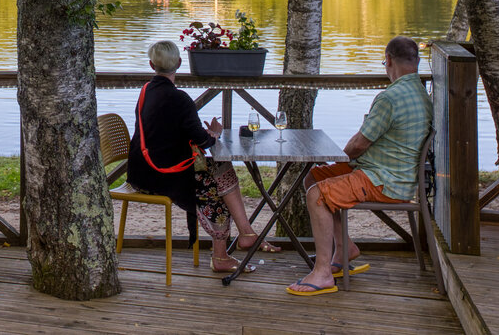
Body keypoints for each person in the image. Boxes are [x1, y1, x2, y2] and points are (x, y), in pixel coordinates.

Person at [286, 35, 432, 297]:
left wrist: (339, 157)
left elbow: (359, 144)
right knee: (314, 177)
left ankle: (322, 273)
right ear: (417, 62)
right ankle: (344, 249)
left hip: (385, 180)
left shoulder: (390, 97)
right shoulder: (420, 92)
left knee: (317, 193)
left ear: (388, 60)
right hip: (395, 173)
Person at [127, 40, 278, 274]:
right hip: (160, 176)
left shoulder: (146, 91)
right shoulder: (180, 99)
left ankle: (246, 233)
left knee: (221, 167)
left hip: (141, 171)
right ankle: (222, 255)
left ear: (151, 65)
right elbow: (203, 142)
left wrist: (204, 136)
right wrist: (215, 134)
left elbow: (170, 131)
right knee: (214, 188)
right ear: (179, 63)